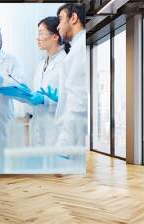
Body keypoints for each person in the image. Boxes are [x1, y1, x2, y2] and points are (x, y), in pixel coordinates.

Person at [16, 17, 68, 146]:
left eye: (41, 33)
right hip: (38, 126)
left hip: (57, 129)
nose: (37, 38)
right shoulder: (40, 66)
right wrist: (24, 95)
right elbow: (38, 95)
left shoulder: (66, 63)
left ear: (55, 36)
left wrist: (47, 100)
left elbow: (71, 100)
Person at [54, 3, 88, 146]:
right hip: (70, 134)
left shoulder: (80, 48)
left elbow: (78, 102)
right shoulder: (76, 48)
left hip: (71, 139)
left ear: (73, 18)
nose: (58, 27)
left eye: (60, 20)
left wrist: (64, 144)